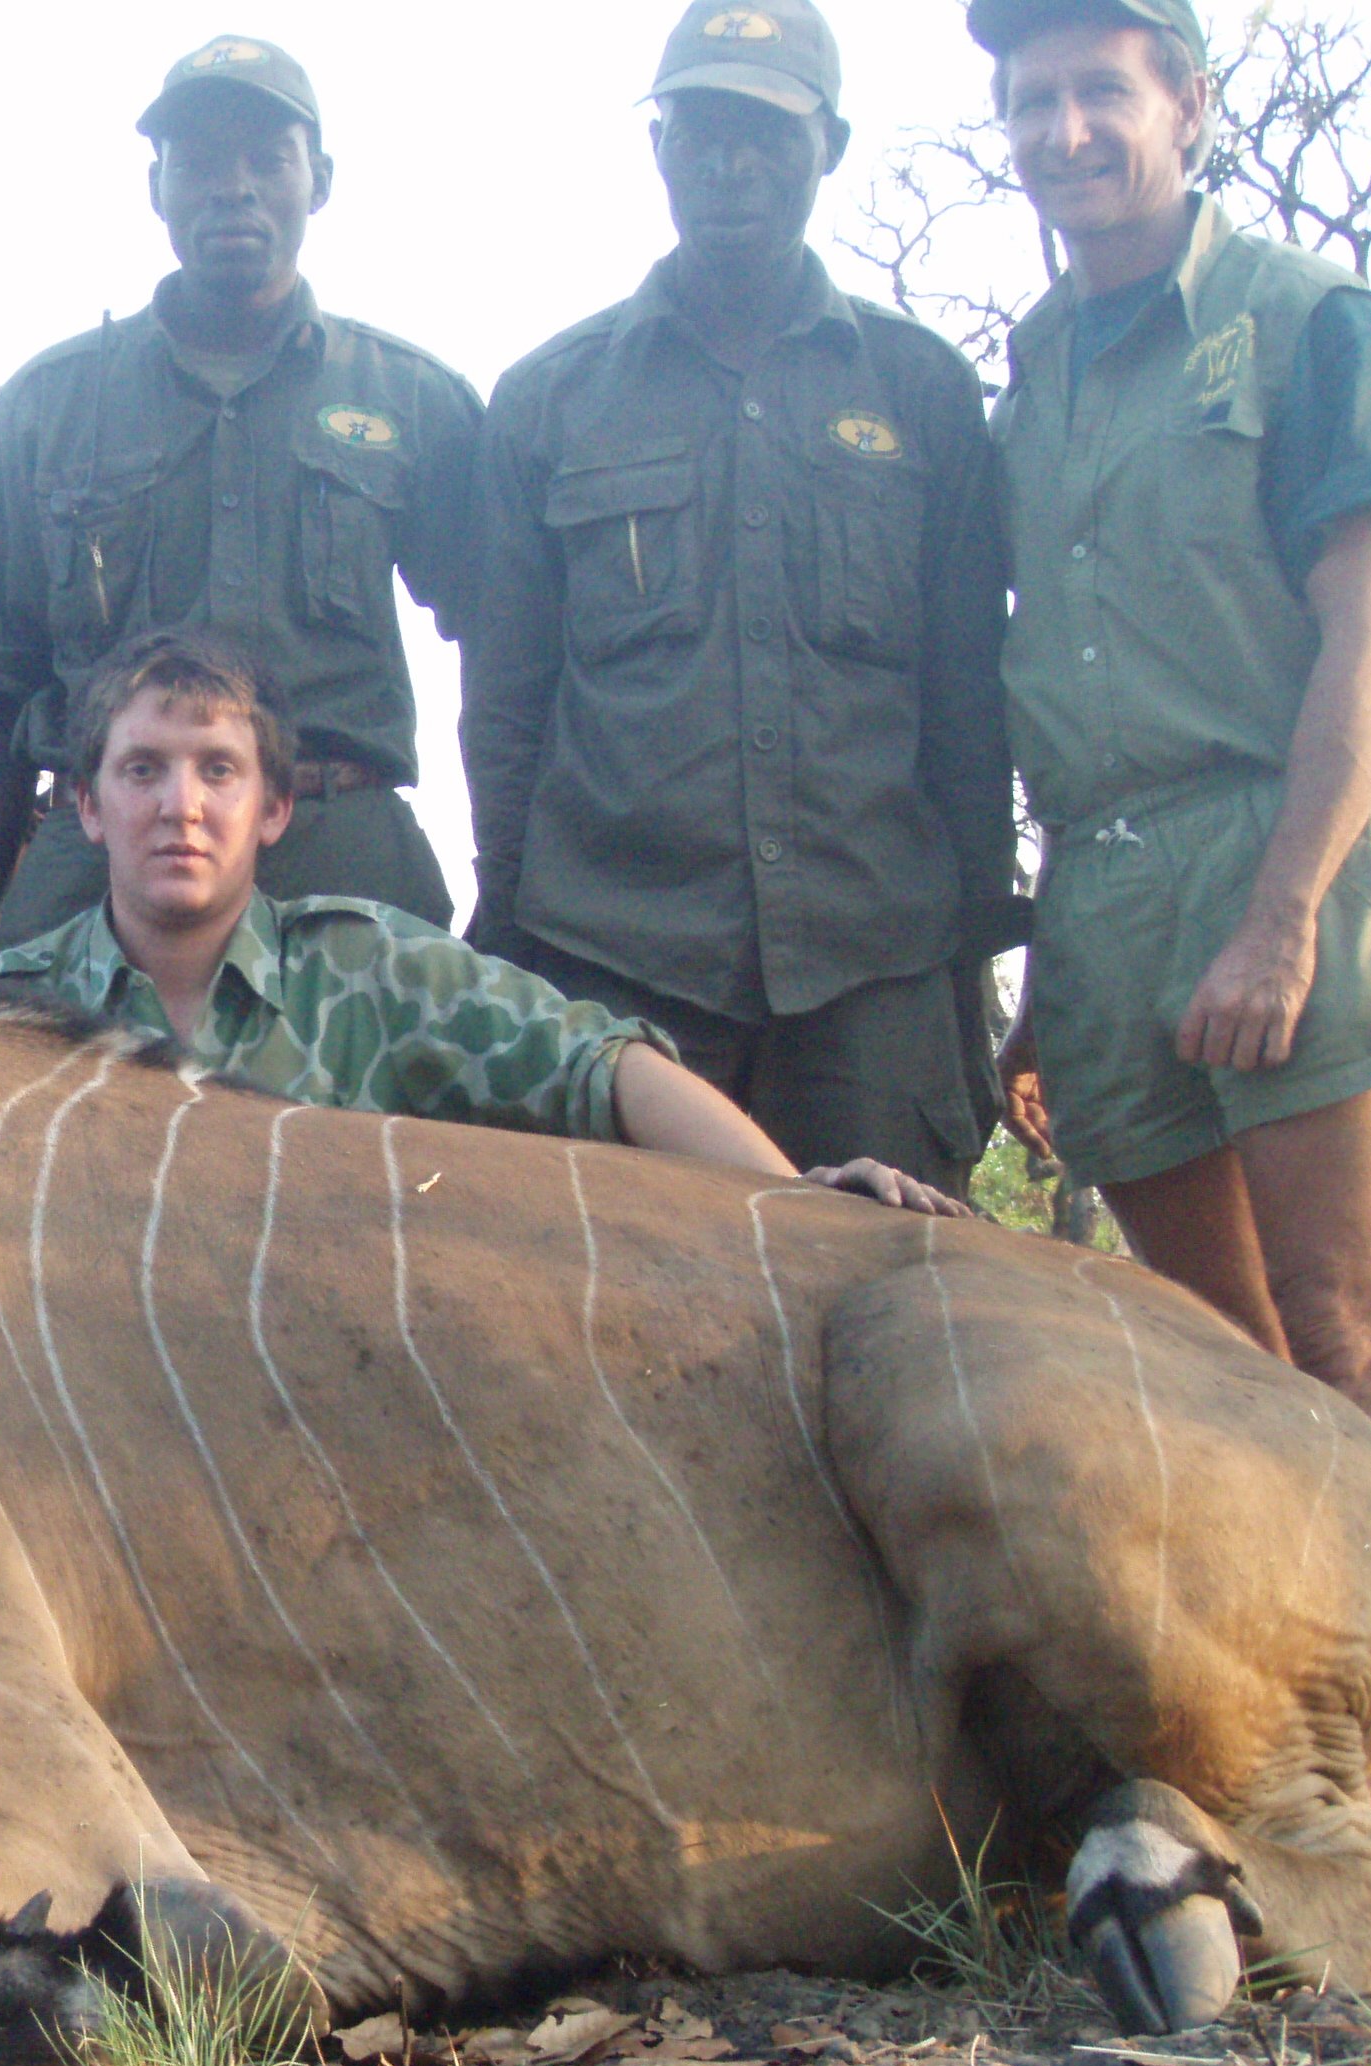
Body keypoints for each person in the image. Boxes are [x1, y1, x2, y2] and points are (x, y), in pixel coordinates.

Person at [977, 0, 1371, 1503]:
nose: (1066, 134)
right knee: (1216, 1362)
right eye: (1031, 101)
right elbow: (1067, 683)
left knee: (1347, 1333)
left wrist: (1285, 917)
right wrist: (1051, 973)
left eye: (1101, 92)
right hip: (1107, 896)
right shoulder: (1031, 367)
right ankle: (1299, 1728)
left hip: (1286, 850)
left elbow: (1370, 642)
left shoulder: (1309, 318)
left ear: (1188, 103)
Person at [462, 0, 1018, 1195]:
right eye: (699, 127)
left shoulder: (923, 393)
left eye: (768, 131)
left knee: (899, 1321)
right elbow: (504, 706)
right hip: (611, 964)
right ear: (656, 145)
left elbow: (970, 702)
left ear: (833, 145)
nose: (730, 160)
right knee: (601, 1337)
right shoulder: (547, 399)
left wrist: (971, 967)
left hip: (875, 976)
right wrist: (511, 944)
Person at [0, 628, 964, 1213]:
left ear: (273, 809)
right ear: (87, 806)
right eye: (142, 769)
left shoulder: (377, 970)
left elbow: (602, 1068)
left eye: (217, 770)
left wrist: (793, 1205)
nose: (180, 805)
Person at [0, 35, 483, 963]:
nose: (234, 187)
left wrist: (503, 886)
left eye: (268, 159)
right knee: (24, 1085)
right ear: (156, 188)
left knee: (398, 1098)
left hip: (345, 853)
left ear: (322, 179)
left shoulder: (413, 400)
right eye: (199, 163)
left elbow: (504, 651)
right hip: (104, 859)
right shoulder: (50, 406)